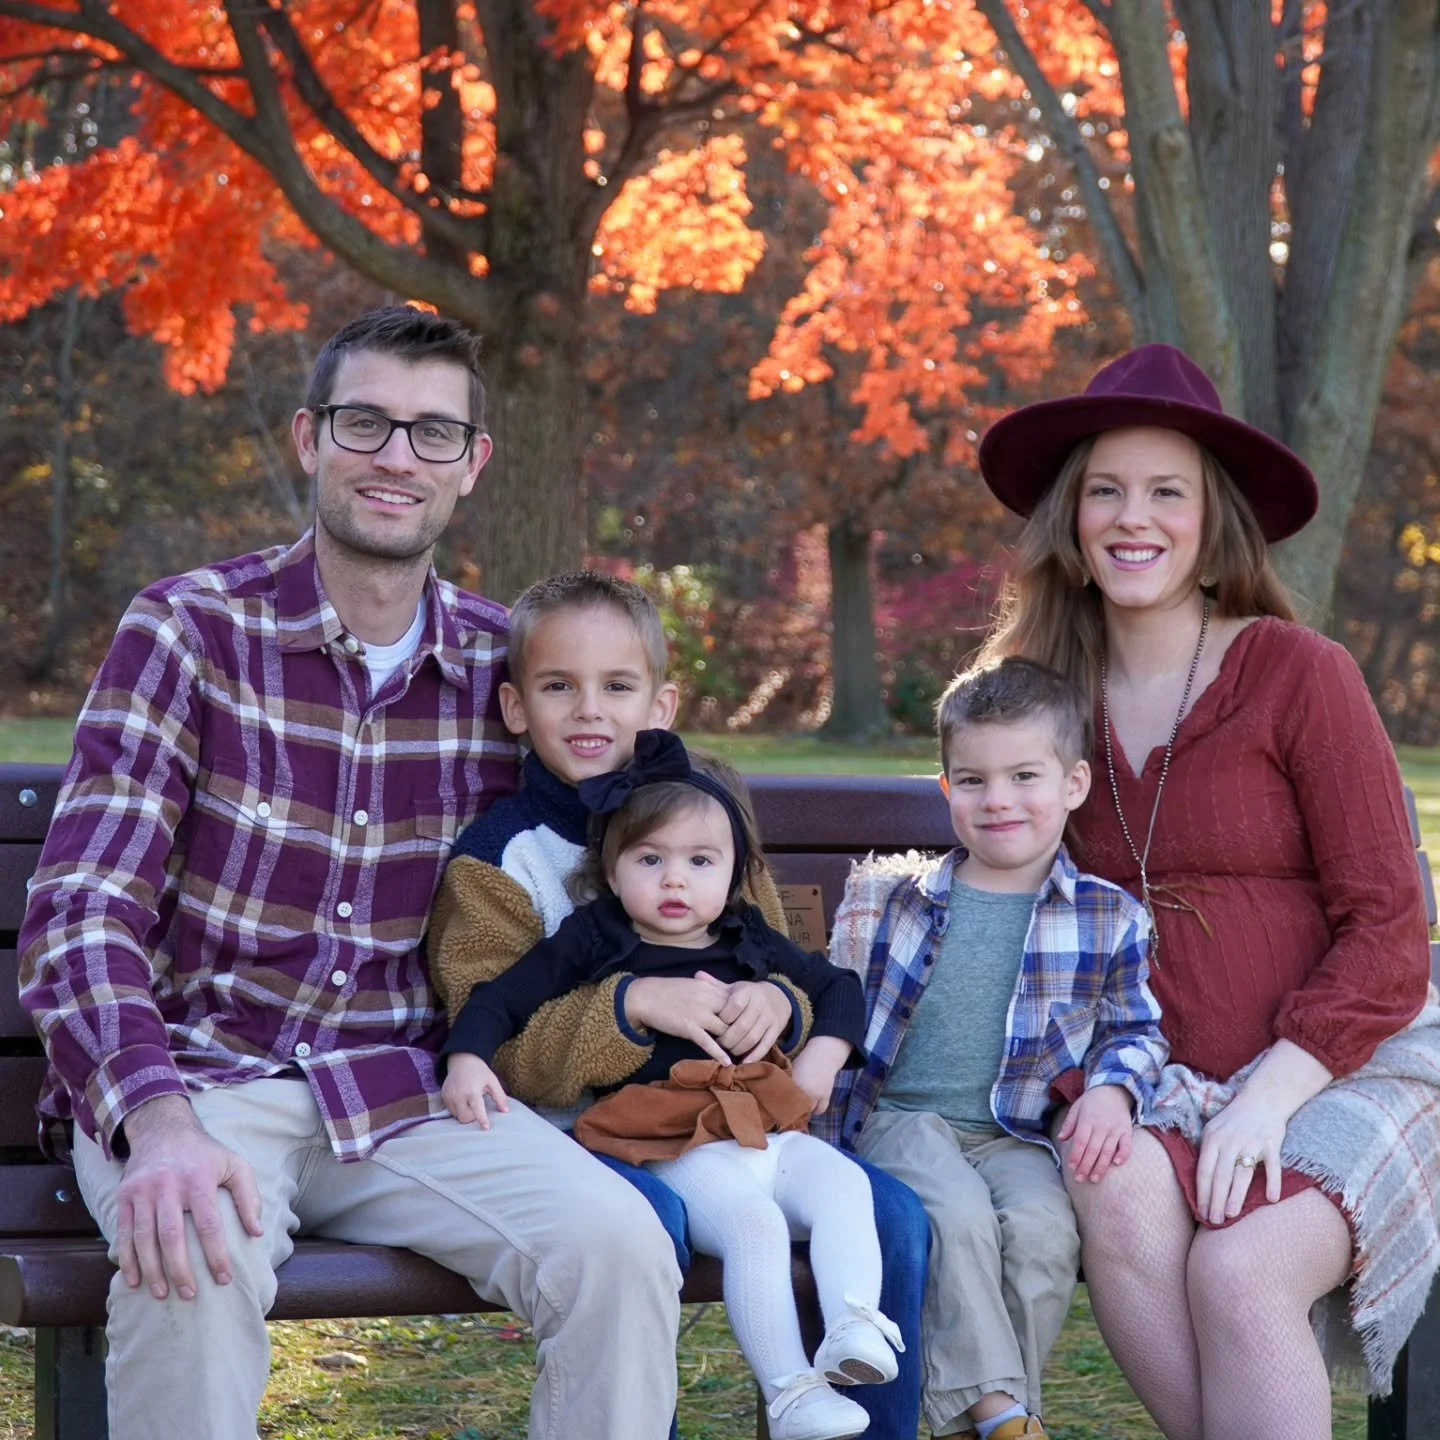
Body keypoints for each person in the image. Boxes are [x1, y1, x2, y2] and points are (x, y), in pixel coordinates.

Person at [16, 305, 684, 1440]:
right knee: (192, 1247)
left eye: (432, 434)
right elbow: (84, 911)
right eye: (365, 422)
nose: (395, 456)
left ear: (471, 466)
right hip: (201, 1081)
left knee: (617, 1243)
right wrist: (159, 1128)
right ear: (310, 438)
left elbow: (655, 823)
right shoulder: (190, 632)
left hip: (409, 1093)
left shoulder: (505, 671)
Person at [974, 342, 1440, 1440]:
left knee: (1240, 1269)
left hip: (1345, 1069)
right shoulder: (1039, 710)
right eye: (1106, 492)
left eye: (1166, 492)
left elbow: (1388, 929)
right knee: (1112, 1184)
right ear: (1072, 523)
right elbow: (998, 903)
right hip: (1155, 1081)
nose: (1135, 518)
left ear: (1211, 522)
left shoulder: (1296, 673)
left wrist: (1275, 1090)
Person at [426, 570, 930, 1440]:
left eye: (617, 687)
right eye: (559, 687)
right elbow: (495, 1030)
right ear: (515, 707)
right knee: (642, 1228)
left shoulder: (708, 818)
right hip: (587, 1139)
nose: (590, 711)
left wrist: (777, 1008)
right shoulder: (498, 858)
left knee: (895, 1216)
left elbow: (783, 967)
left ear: (657, 703)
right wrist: (629, 1006)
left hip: (737, 1124)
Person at [819, 658, 1169, 1440]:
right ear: (946, 790)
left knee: (1044, 1236)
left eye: (1023, 776)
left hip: (1013, 1133)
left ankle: (987, 1416)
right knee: (959, 1221)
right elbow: (834, 1004)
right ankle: (1004, 1417)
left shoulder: (1108, 915)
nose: (998, 799)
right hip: (902, 1120)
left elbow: (1136, 1030)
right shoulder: (899, 901)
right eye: (972, 781)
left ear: (1073, 784)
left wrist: (1113, 1090)